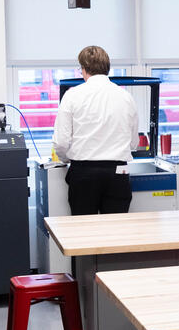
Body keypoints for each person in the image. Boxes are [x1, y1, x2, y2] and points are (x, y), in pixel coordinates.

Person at [52, 45, 138, 215]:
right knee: (117, 228)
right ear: (107, 68)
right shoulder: (125, 97)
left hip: (83, 172)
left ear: (84, 69)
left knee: (84, 229)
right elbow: (133, 143)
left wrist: (65, 159)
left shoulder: (72, 95)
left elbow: (61, 142)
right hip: (118, 173)